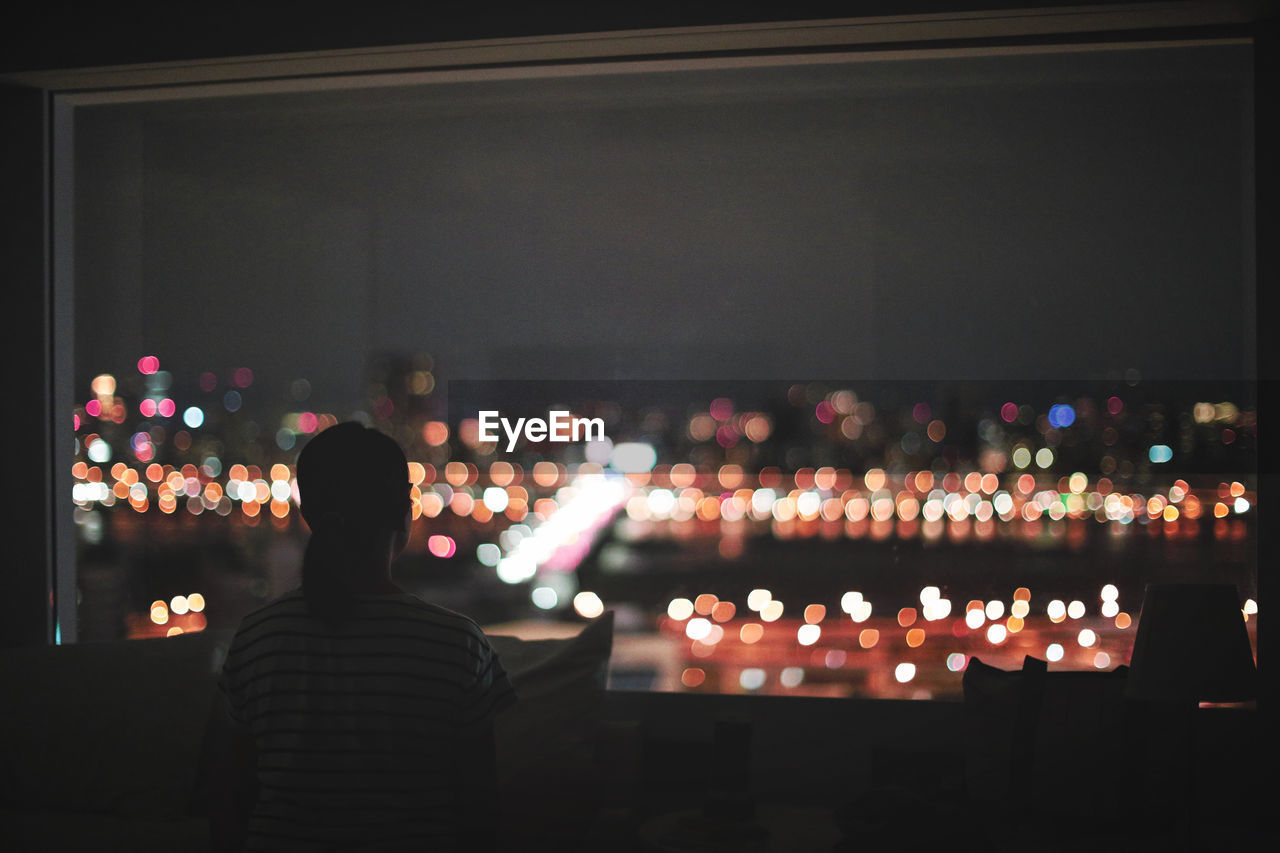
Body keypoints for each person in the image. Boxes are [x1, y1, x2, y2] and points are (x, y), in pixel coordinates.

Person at [210, 422, 516, 852]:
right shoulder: (457, 643)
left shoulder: (258, 637)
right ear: (406, 512)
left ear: (308, 516)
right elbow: (481, 807)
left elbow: (229, 797)